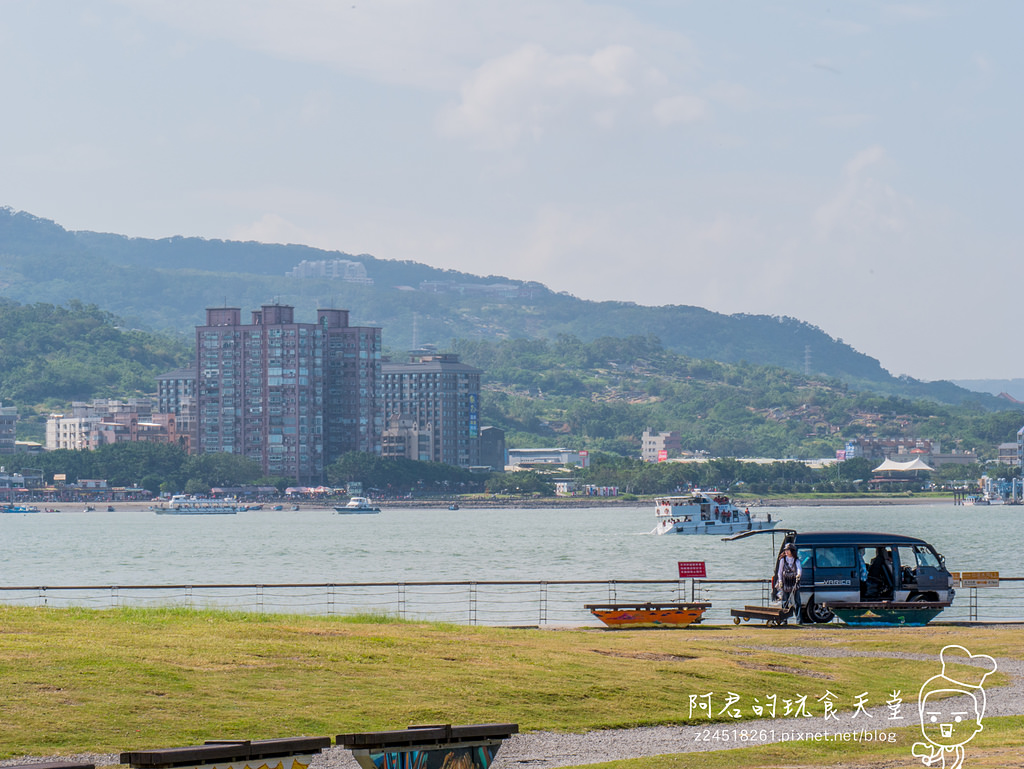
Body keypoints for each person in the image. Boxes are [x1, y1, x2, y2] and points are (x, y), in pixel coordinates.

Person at [776, 543, 803, 624]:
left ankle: (799, 620)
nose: (786, 552)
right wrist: (780, 581)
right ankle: (784, 620)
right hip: (785, 582)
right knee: (785, 601)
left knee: (797, 601)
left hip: (794, 582)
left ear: (792, 551)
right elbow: (779, 572)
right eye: (785, 550)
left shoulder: (796, 560)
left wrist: (798, 575)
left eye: (788, 550)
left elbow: (799, 569)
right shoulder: (783, 560)